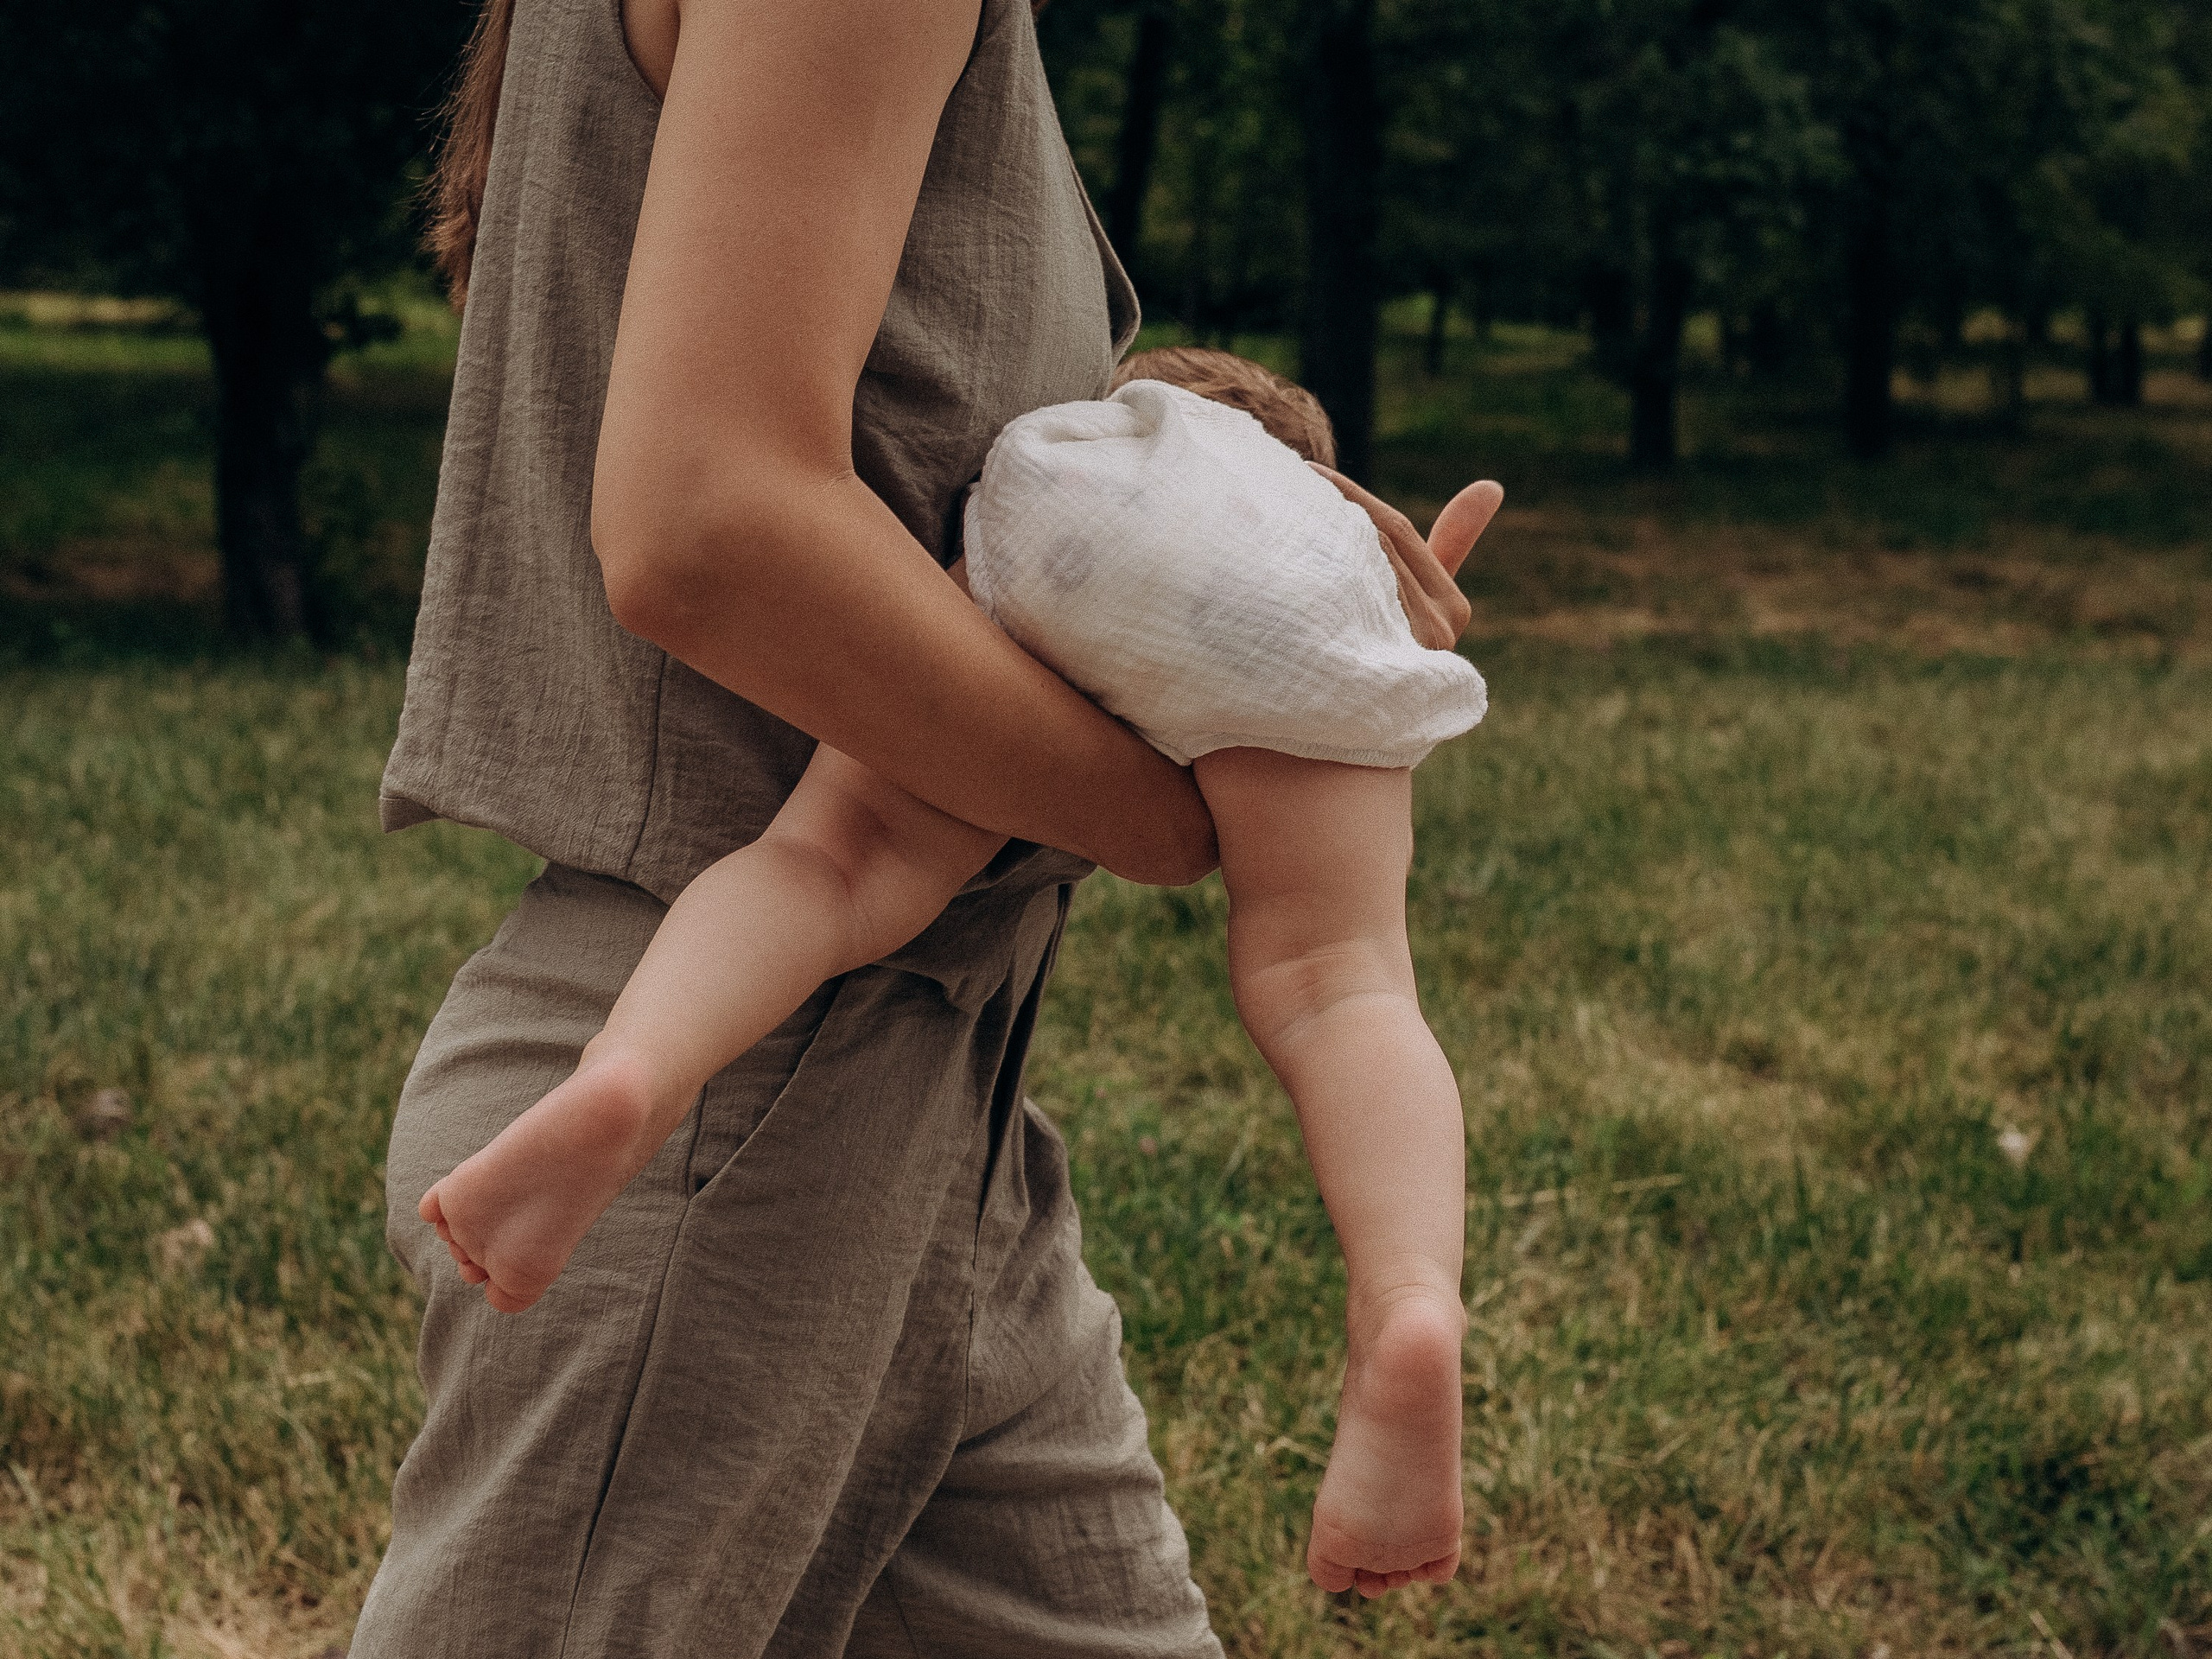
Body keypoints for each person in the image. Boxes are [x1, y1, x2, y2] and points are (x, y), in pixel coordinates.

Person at [353, 0, 1502, 1649]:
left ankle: (624, 1078)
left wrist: (1231, 541)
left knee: (835, 867)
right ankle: (1407, 1297)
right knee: (1346, 983)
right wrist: (1208, 773)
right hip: (749, 1154)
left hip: (917, 1105)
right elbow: (706, 529)